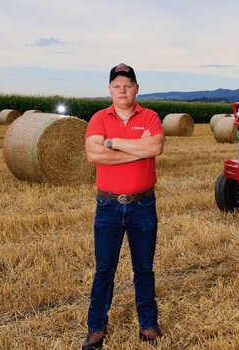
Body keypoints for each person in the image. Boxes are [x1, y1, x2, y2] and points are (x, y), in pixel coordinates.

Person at [82, 63, 165, 349]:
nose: (122, 90)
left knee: (144, 268)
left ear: (136, 88)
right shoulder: (98, 118)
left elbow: (154, 148)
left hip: (143, 205)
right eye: (117, 85)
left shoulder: (151, 116)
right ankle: (96, 328)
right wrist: (135, 150)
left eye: (128, 85)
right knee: (104, 269)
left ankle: (148, 325)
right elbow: (93, 154)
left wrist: (114, 143)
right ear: (109, 89)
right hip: (108, 206)